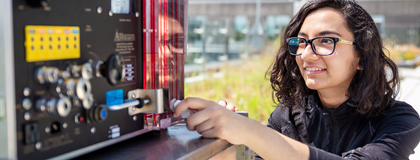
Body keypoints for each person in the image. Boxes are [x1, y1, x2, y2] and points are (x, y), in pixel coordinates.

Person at [174, 0, 420, 159]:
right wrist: (227, 143)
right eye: (302, 41)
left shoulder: (399, 120)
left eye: (326, 41)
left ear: (362, 57)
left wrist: (250, 131)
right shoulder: (287, 117)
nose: (306, 55)